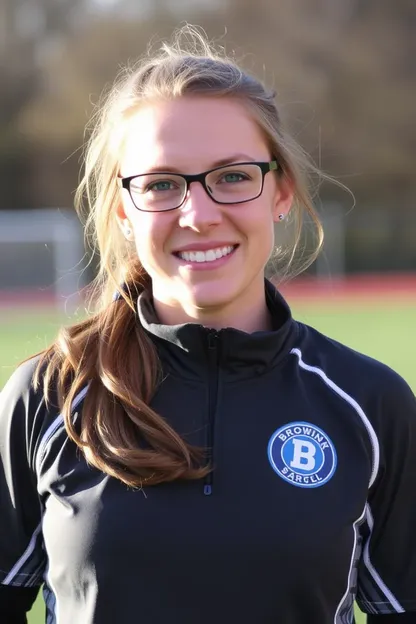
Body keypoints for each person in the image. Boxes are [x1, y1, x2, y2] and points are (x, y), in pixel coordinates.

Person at [1, 26, 415, 624]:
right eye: (161, 185)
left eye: (233, 176)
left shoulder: (369, 405)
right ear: (123, 210)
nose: (198, 215)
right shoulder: (51, 398)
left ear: (280, 191)